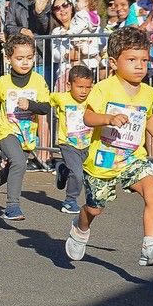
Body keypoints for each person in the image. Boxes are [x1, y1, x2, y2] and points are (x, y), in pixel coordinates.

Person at [64, 26, 153, 267]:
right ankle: (80, 228)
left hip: (133, 156)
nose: (140, 65)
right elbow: (88, 118)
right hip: (104, 160)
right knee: (94, 209)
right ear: (114, 62)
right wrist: (108, 119)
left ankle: (149, 246)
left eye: (144, 60)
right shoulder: (104, 88)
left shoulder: (148, 92)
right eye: (132, 60)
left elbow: (148, 117)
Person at [0, 34, 52, 222]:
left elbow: (46, 107)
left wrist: (30, 105)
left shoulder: (38, 81)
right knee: (19, 164)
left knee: (14, 168)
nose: (25, 62)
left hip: (27, 135)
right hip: (7, 131)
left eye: (29, 58)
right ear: (9, 59)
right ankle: (12, 206)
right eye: (19, 58)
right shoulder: (3, 83)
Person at [50, 64, 94, 214]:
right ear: (69, 85)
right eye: (80, 86)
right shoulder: (61, 98)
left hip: (87, 143)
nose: (84, 91)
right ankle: (70, 201)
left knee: (88, 173)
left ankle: (62, 169)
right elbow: (44, 101)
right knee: (77, 173)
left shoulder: (92, 100)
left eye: (88, 87)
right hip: (68, 143)